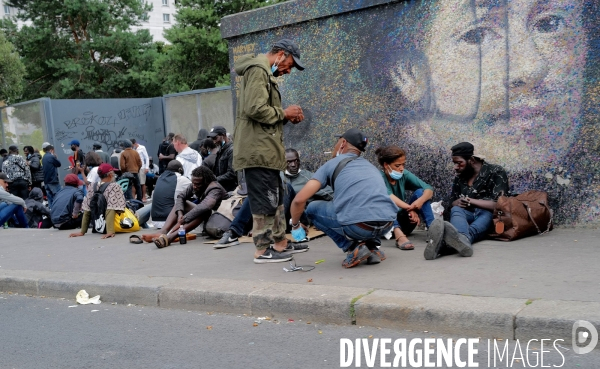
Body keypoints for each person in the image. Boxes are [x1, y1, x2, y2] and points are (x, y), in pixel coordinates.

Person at [233, 38, 306, 263]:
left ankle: (280, 244)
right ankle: (262, 250)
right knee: (265, 201)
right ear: (281, 54)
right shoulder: (258, 70)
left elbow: (262, 116)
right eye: (290, 65)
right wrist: (284, 113)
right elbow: (255, 109)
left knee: (275, 199)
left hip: (266, 150)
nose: (289, 70)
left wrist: (285, 117)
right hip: (258, 151)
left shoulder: (264, 72)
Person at [291, 128, 398, 268]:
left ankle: (354, 248)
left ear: (343, 143)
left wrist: (296, 225)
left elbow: (299, 199)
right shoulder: (370, 167)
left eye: (336, 142)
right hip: (387, 224)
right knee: (364, 206)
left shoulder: (331, 164)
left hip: (360, 226)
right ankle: (372, 248)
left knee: (312, 208)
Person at [425, 142, 510, 260]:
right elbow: (451, 203)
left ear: (471, 160)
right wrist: (457, 202)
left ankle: (445, 245)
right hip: (464, 218)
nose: (456, 167)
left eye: (459, 163)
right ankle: (461, 240)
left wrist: (471, 201)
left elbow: (499, 204)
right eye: (454, 163)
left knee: (485, 214)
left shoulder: (496, 172)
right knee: (456, 209)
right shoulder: (460, 176)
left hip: (488, 215)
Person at [144, 166, 227, 249]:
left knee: (204, 211)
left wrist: (184, 219)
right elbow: (181, 197)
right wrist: (180, 213)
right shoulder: (195, 184)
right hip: (206, 217)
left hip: (219, 219)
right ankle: (163, 231)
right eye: (193, 183)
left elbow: (206, 206)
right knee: (181, 204)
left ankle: (170, 237)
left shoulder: (215, 188)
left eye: (197, 184)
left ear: (206, 182)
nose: (194, 186)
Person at [375, 145, 435, 250]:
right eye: (397, 165)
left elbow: (428, 189)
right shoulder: (378, 177)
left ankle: (433, 230)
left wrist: (419, 202)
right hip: (387, 226)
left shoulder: (403, 174)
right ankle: (400, 238)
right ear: (386, 165)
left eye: (403, 164)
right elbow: (389, 197)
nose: (402, 168)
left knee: (421, 192)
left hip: (405, 222)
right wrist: (409, 208)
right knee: (384, 202)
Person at [69, 163, 127, 239]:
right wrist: (110, 231)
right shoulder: (114, 186)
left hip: (99, 224)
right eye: (113, 173)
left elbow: (87, 209)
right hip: (117, 223)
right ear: (110, 175)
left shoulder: (92, 186)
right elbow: (111, 208)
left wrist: (82, 231)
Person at [137, 160, 191, 229]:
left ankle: (138, 219)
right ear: (180, 169)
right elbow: (194, 192)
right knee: (184, 201)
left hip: (155, 222)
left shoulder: (160, 178)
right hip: (170, 221)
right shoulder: (181, 179)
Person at [208, 125, 237, 192]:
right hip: (222, 188)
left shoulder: (231, 150)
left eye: (215, 138)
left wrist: (214, 179)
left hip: (230, 190)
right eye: (212, 139)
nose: (214, 141)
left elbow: (232, 173)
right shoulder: (221, 150)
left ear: (223, 135)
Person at [41, 143, 62, 207]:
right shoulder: (51, 156)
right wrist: (55, 157)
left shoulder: (44, 157)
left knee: (50, 198)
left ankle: (51, 211)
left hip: (46, 181)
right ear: (51, 150)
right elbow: (59, 164)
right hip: (53, 180)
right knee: (59, 196)